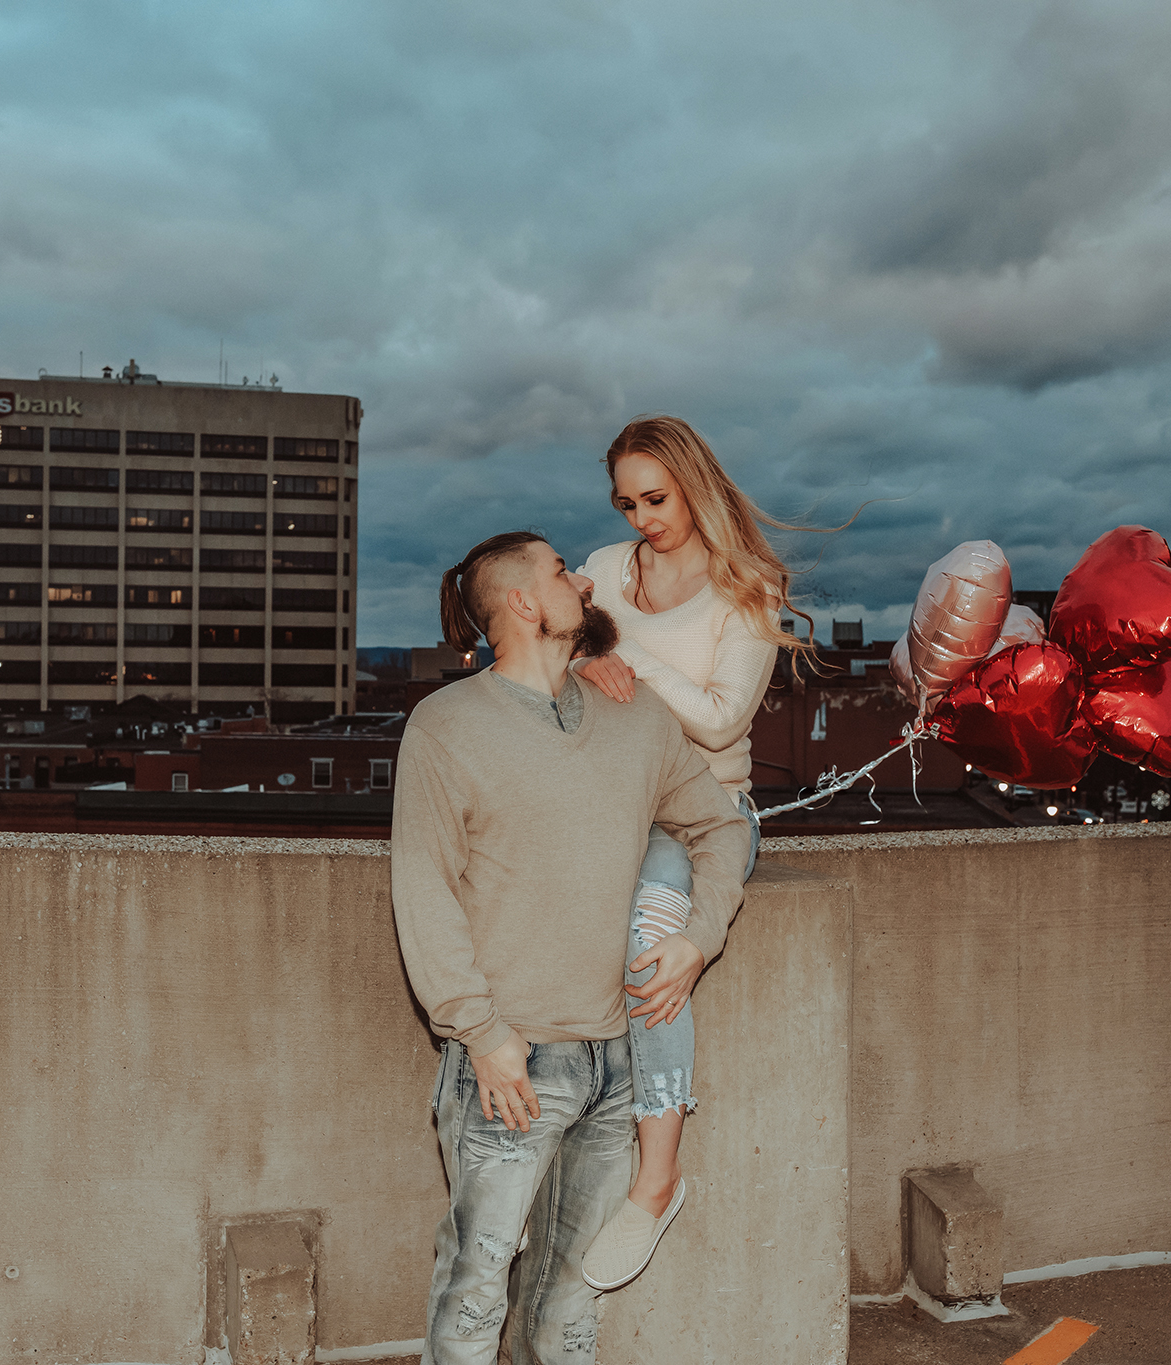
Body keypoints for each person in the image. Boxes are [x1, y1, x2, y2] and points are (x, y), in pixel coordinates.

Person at [393, 531, 751, 1364]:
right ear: (522, 602)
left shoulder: (632, 715)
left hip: (617, 1062)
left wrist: (699, 938)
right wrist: (483, 1035)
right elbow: (424, 891)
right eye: (561, 572)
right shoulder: (445, 725)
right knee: (476, 1295)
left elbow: (720, 829)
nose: (582, 582)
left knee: (572, 1305)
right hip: (511, 1068)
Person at [574, 414, 821, 1291]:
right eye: (626, 501)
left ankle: (655, 1179)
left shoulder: (747, 587)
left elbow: (720, 718)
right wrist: (583, 658)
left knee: (658, 939)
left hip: (711, 813)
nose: (641, 518)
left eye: (656, 498)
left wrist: (619, 651)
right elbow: (547, 646)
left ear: (695, 485)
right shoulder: (603, 570)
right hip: (615, 805)